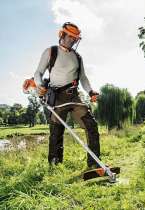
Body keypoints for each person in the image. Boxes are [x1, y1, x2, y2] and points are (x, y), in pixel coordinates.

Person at [34, 22, 100, 168]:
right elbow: (38, 73)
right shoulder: (51, 52)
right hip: (57, 97)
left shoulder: (77, 57)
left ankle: (94, 165)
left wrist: (90, 91)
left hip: (74, 96)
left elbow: (83, 77)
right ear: (62, 35)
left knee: (91, 125)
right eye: (70, 36)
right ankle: (55, 166)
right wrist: (39, 85)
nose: (73, 40)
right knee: (56, 133)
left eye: (75, 38)